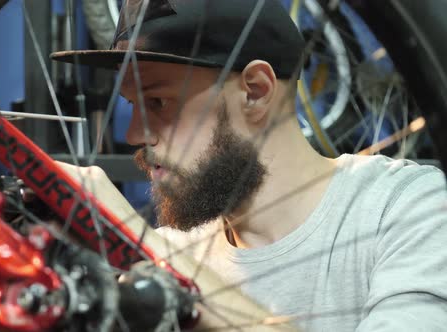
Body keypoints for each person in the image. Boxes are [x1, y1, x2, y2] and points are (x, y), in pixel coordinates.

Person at [52, 0, 447, 330]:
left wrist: (144, 249)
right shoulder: (174, 251)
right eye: (133, 106)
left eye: (157, 102)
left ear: (255, 93)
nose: (135, 134)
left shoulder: (407, 209)